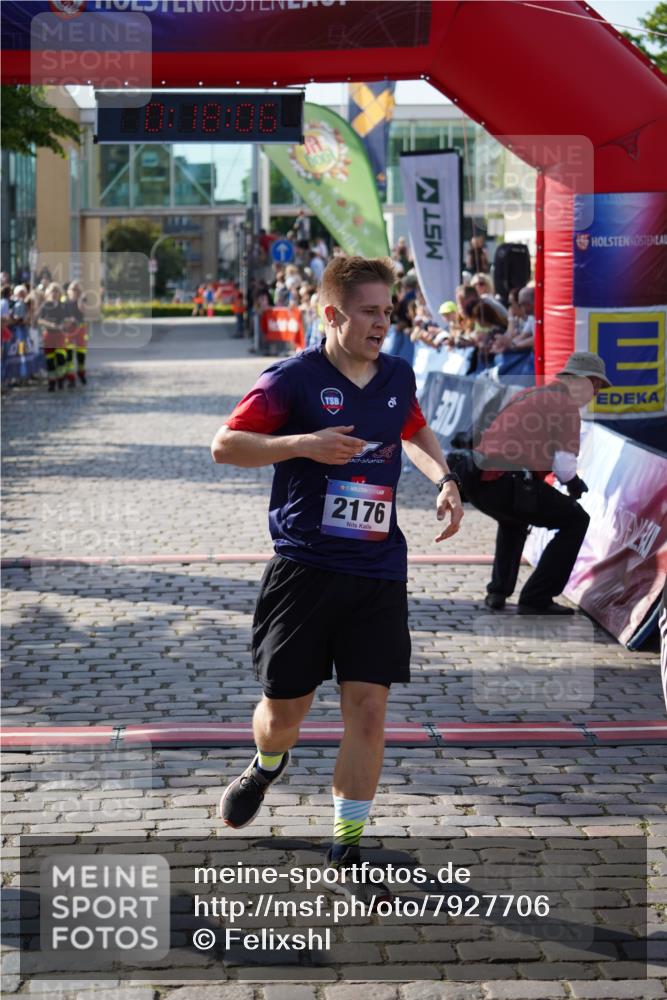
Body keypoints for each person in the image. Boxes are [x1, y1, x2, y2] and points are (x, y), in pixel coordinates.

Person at [211, 255, 463, 887]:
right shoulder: (291, 381)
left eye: (388, 311)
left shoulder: (398, 376)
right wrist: (302, 443)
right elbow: (224, 445)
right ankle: (267, 765)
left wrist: (447, 479)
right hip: (305, 569)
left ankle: (347, 840)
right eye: (371, 312)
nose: (384, 323)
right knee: (285, 713)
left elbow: (417, 432)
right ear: (333, 313)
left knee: (369, 709)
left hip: (378, 569)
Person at [463, 351, 610, 614]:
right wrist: (574, 484)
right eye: (596, 384)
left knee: (515, 518)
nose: (596, 392)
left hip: (478, 480)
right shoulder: (566, 406)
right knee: (577, 520)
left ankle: (497, 592)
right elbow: (564, 467)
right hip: (510, 481)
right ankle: (537, 597)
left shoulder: (530, 393)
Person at [37, 282, 67, 392]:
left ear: (59, 293)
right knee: (50, 360)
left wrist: (64, 324)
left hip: (60, 335)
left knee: (60, 358)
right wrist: (50, 324)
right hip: (48, 335)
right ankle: (51, 382)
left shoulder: (63, 306)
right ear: (48, 293)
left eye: (56, 291)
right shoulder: (45, 305)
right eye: (52, 291)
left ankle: (60, 379)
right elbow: (40, 319)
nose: (54, 294)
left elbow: (68, 318)